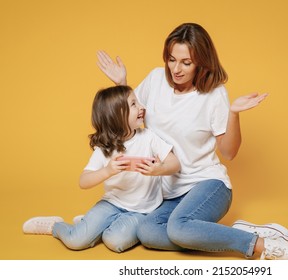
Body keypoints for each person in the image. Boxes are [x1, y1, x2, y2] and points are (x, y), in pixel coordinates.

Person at [96, 22, 288, 260]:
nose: (176, 69)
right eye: (171, 59)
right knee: (148, 233)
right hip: (168, 191)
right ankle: (231, 232)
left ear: (201, 62)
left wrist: (233, 114)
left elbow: (229, 153)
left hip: (208, 184)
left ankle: (263, 246)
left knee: (179, 228)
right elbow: (130, 119)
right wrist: (121, 83)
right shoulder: (155, 79)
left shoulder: (214, 94)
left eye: (186, 62)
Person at [22, 85, 180, 253]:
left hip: (141, 212)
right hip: (111, 204)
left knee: (115, 242)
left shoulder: (148, 137)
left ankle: (90, 224)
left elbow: (175, 164)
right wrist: (108, 171)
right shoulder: (105, 147)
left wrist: (158, 169)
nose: (141, 107)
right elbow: (83, 181)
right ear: (116, 115)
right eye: (134, 104)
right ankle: (55, 225)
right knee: (75, 241)